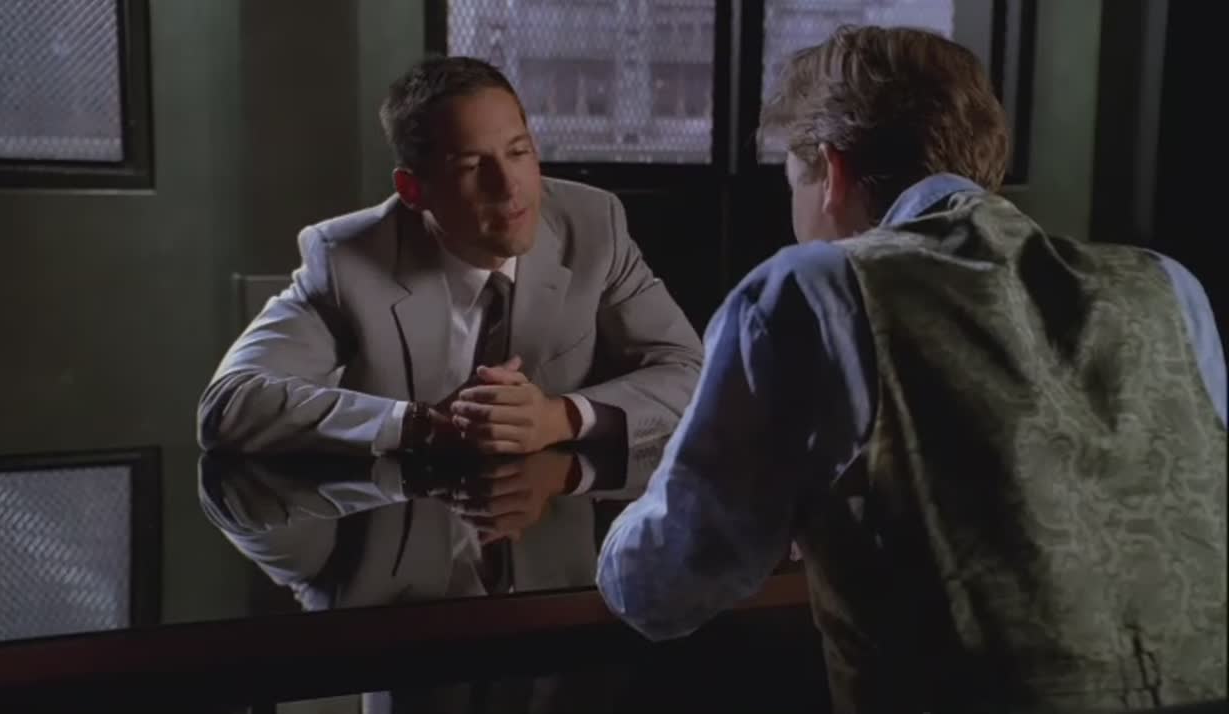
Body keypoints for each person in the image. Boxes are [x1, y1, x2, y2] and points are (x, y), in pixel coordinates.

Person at [597, 25, 1227, 713]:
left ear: (831, 170)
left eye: (792, 184)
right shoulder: (1166, 285)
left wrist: (619, 533)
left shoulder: (819, 290)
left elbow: (661, 587)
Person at [197, 56, 702, 458]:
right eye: (471, 165)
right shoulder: (348, 258)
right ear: (412, 190)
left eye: (519, 152)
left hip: (551, 531)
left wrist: (561, 417)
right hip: (404, 537)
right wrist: (419, 424)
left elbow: (689, 371)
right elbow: (230, 404)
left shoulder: (592, 226)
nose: (509, 186)